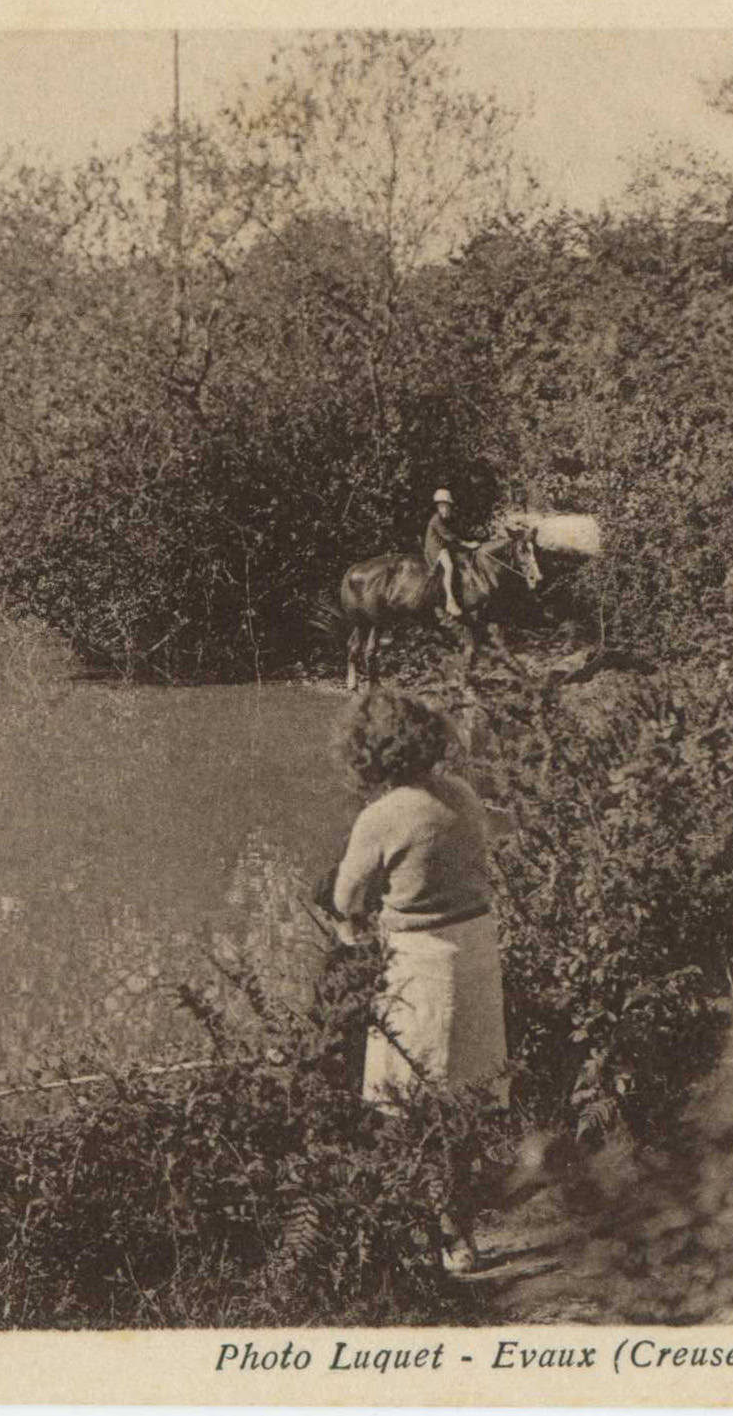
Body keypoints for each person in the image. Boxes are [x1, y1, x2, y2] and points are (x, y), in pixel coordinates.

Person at [328, 690, 509, 1274]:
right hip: (476, 950)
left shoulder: (382, 815)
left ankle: (437, 1232)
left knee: (412, 1095)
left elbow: (346, 896)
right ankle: (460, 1226)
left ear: (367, 754)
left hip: (421, 960)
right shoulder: (460, 795)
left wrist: (352, 929)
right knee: (467, 1089)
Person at [424, 488, 477, 620]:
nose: (444, 509)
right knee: (449, 567)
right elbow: (449, 536)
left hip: (446, 547)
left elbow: (457, 532)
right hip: (436, 549)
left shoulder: (450, 517)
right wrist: (467, 544)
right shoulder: (436, 520)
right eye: (441, 506)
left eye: (446, 506)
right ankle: (450, 601)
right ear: (437, 507)